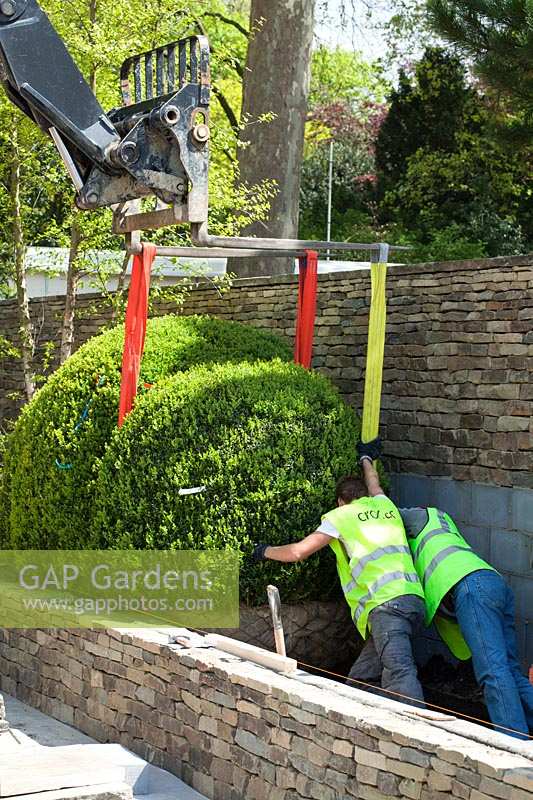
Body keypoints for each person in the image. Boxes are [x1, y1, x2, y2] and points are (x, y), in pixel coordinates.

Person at [253, 438, 426, 707]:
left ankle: (419, 735)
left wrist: (263, 551)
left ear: (339, 501)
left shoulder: (339, 517)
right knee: (360, 683)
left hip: (386, 607)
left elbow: (298, 552)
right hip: (414, 601)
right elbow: (374, 482)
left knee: (400, 674)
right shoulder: (384, 505)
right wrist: (365, 458)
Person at [400, 505, 533, 740]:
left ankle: (515, 745)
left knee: (492, 672)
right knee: (510, 670)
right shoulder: (443, 527)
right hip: (492, 582)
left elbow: (383, 508)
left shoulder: (419, 517)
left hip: (472, 589)